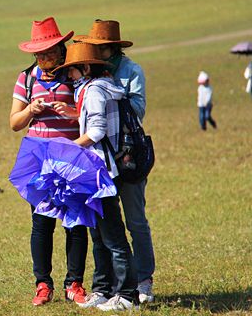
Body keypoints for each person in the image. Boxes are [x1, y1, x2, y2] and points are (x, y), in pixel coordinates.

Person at [72, 19, 155, 303]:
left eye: (100, 47)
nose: (96, 51)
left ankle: (143, 282)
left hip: (126, 154)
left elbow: (137, 110)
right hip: (102, 159)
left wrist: (106, 94)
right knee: (104, 227)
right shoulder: (91, 79)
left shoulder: (130, 71)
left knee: (135, 222)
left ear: (112, 47)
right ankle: (107, 287)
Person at [9, 17, 88, 306]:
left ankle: (75, 284)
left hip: (73, 159)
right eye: (40, 54)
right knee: (42, 223)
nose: (45, 58)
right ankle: (43, 285)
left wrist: (72, 111)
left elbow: (93, 114)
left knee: (76, 222)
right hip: (39, 161)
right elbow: (14, 123)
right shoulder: (26, 78)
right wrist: (31, 109)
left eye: (51, 52)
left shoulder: (78, 76)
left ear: (62, 48)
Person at [59, 41, 139, 311]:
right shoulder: (99, 88)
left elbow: (96, 132)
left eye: (72, 70)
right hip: (98, 170)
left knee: (112, 236)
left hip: (100, 171)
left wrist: (67, 149)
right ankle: (103, 290)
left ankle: (127, 294)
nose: (69, 76)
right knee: (99, 234)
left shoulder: (94, 91)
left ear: (84, 68)